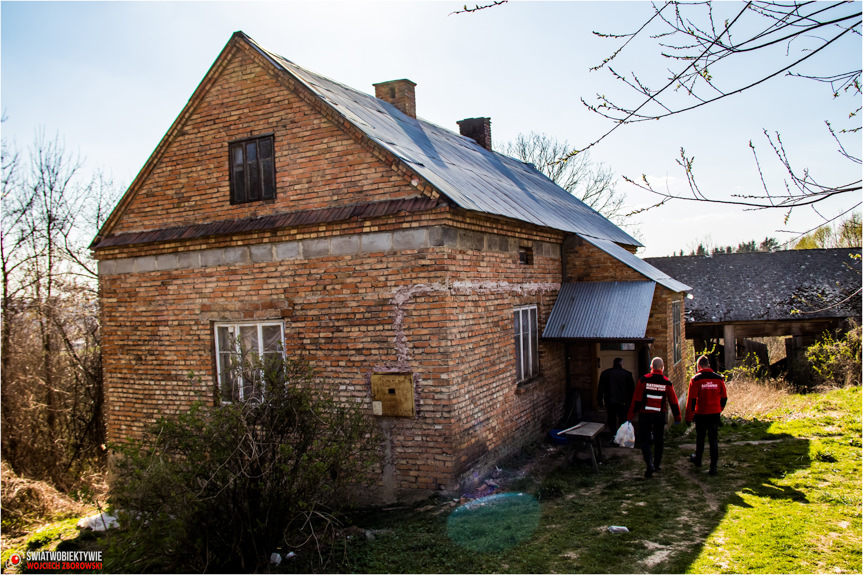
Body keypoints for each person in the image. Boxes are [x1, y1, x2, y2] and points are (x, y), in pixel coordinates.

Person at [627, 357, 681, 478]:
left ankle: (649, 464)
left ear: (651, 367)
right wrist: (677, 417)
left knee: (645, 441)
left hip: (645, 415)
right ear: (663, 368)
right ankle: (656, 464)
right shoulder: (667, 382)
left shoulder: (643, 380)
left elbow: (636, 400)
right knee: (659, 440)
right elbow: (673, 401)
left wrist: (630, 416)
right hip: (659, 415)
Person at [685, 355, 728, 476]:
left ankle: (698, 460)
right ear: (709, 365)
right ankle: (713, 467)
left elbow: (691, 400)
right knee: (713, 440)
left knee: (700, 438)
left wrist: (689, 417)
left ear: (698, 366)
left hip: (701, 413)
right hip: (714, 413)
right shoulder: (719, 379)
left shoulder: (695, 379)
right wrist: (719, 409)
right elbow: (724, 398)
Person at [598, 357, 635, 442]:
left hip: (610, 401)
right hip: (623, 401)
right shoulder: (627, 374)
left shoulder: (605, 373)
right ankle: (621, 437)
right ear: (622, 364)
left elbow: (601, 388)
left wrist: (600, 399)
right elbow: (632, 389)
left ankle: (613, 435)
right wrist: (632, 402)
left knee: (611, 419)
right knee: (623, 419)